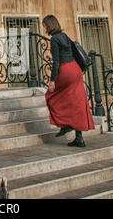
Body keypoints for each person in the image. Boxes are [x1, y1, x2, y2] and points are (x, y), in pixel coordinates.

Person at [42, 15, 94, 147]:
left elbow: (56, 62)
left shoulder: (54, 39)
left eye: (45, 25)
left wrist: (52, 80)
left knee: (51, 96)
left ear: (49, 25)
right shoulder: (65, 36)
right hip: (75, 69)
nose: (44, 28)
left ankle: (65, 124)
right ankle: (79, 138)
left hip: (65, 70)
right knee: (77, 102)